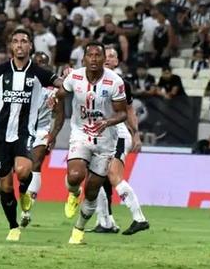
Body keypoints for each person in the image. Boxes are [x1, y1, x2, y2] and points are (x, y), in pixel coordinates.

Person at [0, 30, 61, 241]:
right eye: (15, 41)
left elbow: (63, 85)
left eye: (24, 41)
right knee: (6, 186)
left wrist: (66, 84)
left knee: (23, 171)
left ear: (30, 46)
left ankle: (24, 192)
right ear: (11, 46)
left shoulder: (40, 73)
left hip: (25, 132)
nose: (20, 45)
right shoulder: (0, 70)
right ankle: (13, 226)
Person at [51, 42, 128, 245]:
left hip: (105, 139)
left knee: (93, 190)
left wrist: (108, 122)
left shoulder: (115, 81)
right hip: (81, 133)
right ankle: (73, 193)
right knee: (75, 176)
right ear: (84, 59)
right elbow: (61, 93)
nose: (94, 59)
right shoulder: (74, 77)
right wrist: (54, 99)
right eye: (90, 55)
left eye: (98, 55)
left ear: (104, 59)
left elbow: (122, 113)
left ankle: (79, 229)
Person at [92, 46, 150, 235]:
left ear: (116, 61)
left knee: (114, 176)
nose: (107, 59)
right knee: (95, 177)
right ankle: (105, 222)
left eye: (111, 57)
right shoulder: (91, 80)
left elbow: (130, 111)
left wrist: (136, 134)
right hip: (100, 136)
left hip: (117, 134)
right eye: (105, 56)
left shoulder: (121, 84)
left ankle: (139, 218)